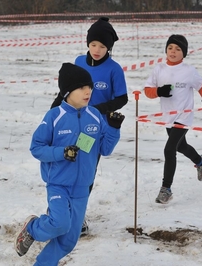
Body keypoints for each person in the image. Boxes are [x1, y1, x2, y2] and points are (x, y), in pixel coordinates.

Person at [14, 62, 125, 265]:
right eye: (82, 87)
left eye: (90, 87)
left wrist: (113, 128)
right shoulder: (54, 116)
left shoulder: (94, 116)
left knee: (68, 240)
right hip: (58, 183)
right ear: (67, 91)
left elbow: (105, 149)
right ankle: (32, 228)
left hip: (82, 187)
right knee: (59, 224)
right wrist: (61, 153)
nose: (88, 91)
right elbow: (36, 148)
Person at [50, 17, 128, 235]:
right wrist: (54, 109)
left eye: (102, 46)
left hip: (93, 131)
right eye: (93, 44)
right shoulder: (79, 62)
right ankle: (58, 208)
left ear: (109, 48)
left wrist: (98, 110)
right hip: (70, 125)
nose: (97, 49)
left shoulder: (114, 69)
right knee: (64, 165)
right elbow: (66, 89)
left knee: (85, 172)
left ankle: (78, 215)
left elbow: (122, 98)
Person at [143, 34, 202, 204]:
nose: (173, 51)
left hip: (184, 116)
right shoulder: (159, 69)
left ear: (184, 53)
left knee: (169, 149)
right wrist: (159, 92)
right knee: (181, 146)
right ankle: (200, 161)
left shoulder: (189, 71)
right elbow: (147, 90)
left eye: (178, 49)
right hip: (168, 117)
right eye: (170, 48)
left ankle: (166, 189)